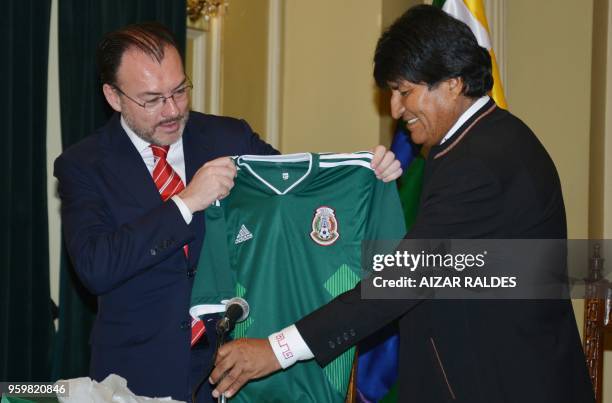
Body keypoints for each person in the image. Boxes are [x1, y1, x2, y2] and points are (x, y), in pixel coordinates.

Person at [208, 5, 595, 403]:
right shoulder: (484, 142)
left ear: (453, 84)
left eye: (404, 91)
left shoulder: (478, 163)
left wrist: (277, 350)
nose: (395, 109)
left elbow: (402, 280)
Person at [54, 22, 401, 402]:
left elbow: (294, 197)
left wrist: (366, 171)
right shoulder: (83, 164)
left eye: (180, 90)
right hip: (136, 374)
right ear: (114, 96)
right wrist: (185, 202)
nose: (172, 110)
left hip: (235, 371)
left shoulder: (228, 137)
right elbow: (95, 266)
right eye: (152, 99)